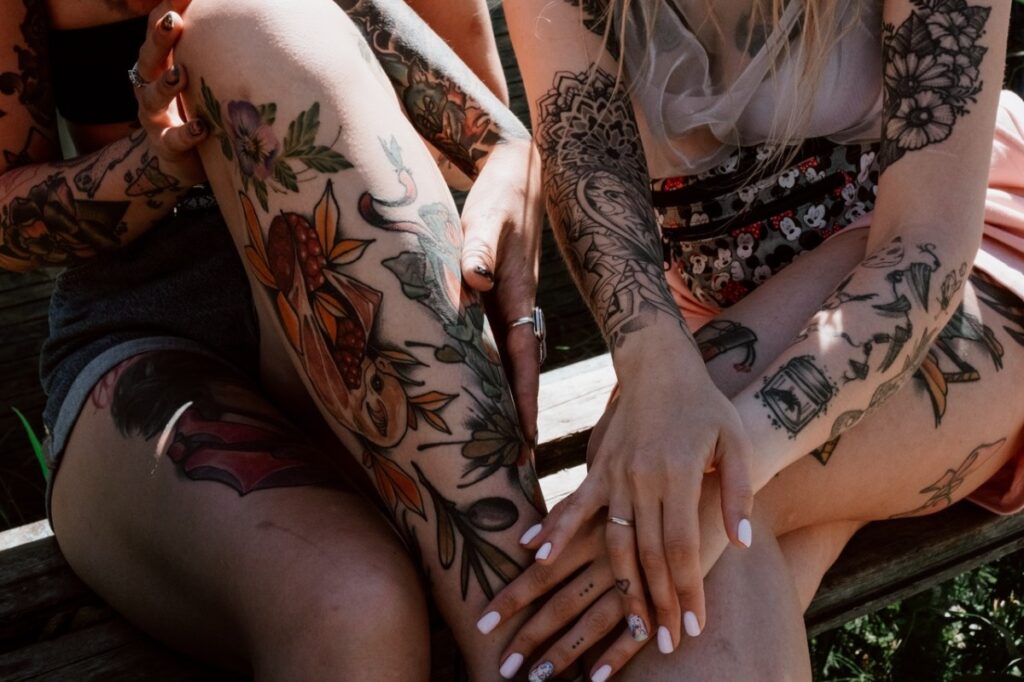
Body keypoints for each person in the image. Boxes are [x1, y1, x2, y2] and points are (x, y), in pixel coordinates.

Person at [1, 0, 551, 678]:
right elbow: (4, 212)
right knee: (350, 611)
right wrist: (160, 163)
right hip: (149, 350)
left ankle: (530, 644)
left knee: (243, 19)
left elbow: (483, 147)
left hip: (374, 312)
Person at [475, 0, 1024, 679]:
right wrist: (656, 367)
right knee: (684, 541)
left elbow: (927, 242)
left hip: (956, 281)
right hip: (701, 329)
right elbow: (586, 157)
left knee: (683, 508)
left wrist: (728, 464)